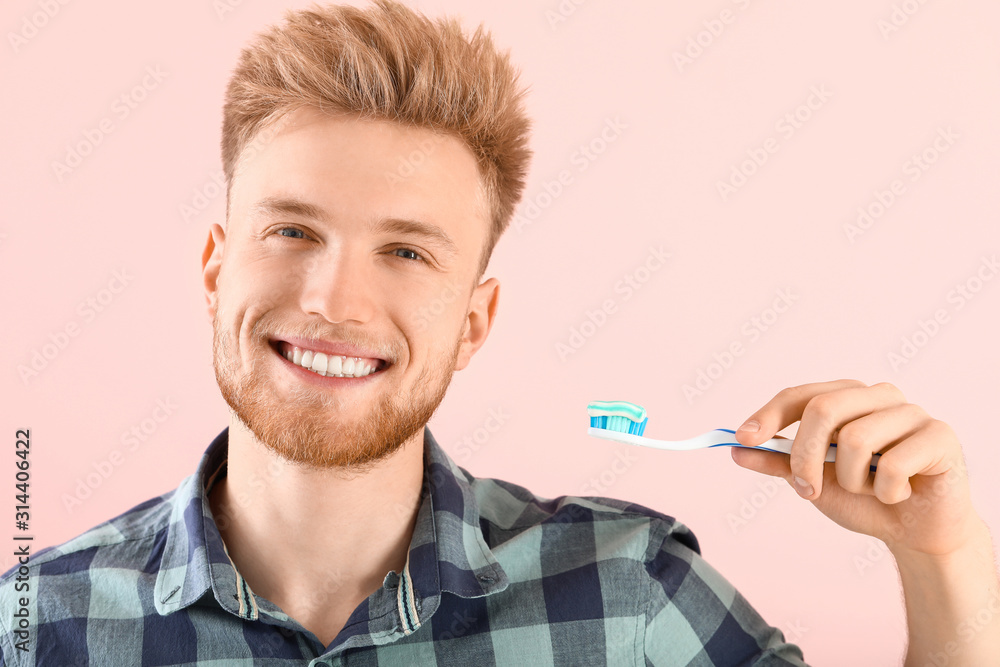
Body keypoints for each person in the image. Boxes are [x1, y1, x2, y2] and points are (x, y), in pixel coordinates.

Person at [2, 1, 998, 664]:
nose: (331, 299)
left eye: (406, 252)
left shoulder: (628, 592)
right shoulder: (36, 624)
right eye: (293, 230)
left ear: (474, 320)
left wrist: (940, 557)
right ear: (217, 268)